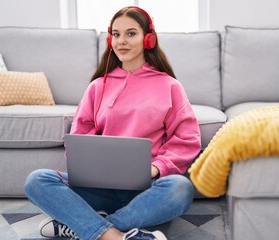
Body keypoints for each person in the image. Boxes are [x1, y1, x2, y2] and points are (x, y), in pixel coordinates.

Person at [24, 6, 201, 240]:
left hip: (145, 190)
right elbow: (81, 135)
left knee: (181, 188)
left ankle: (91, 227)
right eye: (116, 35)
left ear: (148, 39)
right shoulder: (98, 86)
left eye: (131, 33)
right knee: (37, 180)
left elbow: (187, 138)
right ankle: (117, 235)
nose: (121, 41)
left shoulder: (169, 86)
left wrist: (156, 168)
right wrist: (88, 165)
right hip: (97, 188)